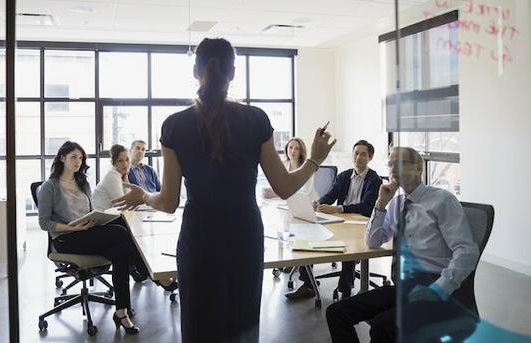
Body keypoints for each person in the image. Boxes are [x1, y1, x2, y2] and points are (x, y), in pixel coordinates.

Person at [112, 38, 335, 343]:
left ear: (195, 71)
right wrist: (314, 160)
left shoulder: (174, 126)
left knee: (199, 326)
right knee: (242, 327)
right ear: (232, 72)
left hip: (199, 238)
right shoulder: (256, 119)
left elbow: (167, 202)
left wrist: (143, 196)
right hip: (244, 236)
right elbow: (284, 187)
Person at [324, 147, 479, 343]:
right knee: (336, 312)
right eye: (390, 164)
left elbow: (467, 251)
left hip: (433, 283)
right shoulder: (396, 203)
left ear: (418, 169)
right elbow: (373, 241)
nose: (393, 169)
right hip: (403, 286)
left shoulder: (442, 200)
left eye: (401, 163)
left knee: (382, 326)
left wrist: (439, 289)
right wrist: (380, 203)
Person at [37, 141, 148, 335]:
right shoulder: (49, 187)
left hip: (87, 233)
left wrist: (96, 219)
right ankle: (146, 271)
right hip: (66, 239)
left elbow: (90, 211)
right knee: (121, 233)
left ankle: (121, 311)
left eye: (81, 158)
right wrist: (72, 228)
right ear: (62, 158)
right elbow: (44, 223)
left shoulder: (83, 183)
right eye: (73, 157)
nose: (78, 161)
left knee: (119, 246)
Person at [286, 140, 382, 301]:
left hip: (362, 224)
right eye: (356, 153)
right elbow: (331, 195)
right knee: (309, 237)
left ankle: (345, 292)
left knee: (349, 248)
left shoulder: (374, 180)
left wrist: (338, 209)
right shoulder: (344, 176)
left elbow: (366, 207)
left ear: (370, 157)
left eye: (363, 154)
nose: (358, 157)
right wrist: (319, 202)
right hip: (342, 222)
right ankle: (308, 284)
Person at [92, 144, 130, 211]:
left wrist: (126, 178)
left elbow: (129, 200)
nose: (125, 164)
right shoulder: (112, 176)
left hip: (111, 215)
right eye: (120, 161)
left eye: (127, 160)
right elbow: (122, 205)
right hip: (102, 218)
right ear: (114, 163)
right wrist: (126, 180)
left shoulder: (120, 175)